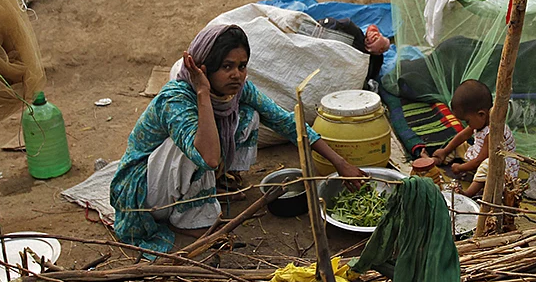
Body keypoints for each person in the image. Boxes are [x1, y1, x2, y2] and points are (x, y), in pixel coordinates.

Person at [111, 24, 367, 254]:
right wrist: (202, 92)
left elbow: (285, 121)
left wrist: (339, 163)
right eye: (226, 67)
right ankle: (187, 219)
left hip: (174, 179)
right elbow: (208, 158)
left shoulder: (238, 89)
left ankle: (218, 185)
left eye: (241, 66)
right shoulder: (176, 99)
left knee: (247, 115)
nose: (237, 74)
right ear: (203, 67)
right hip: (144, 192)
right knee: (191, 146)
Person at [430, 79, 519, 198]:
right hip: (479, 153)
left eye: (467, 121)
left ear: (481, 114)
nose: (468, 125)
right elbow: (462, 136)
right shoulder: (479, 122)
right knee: (459, 146)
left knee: (486, 166)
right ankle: (437, 159)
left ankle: (468, 193)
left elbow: (478, 162)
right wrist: (445, 151)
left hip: (500, 167)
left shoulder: (493, 133)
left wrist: (460, 167)